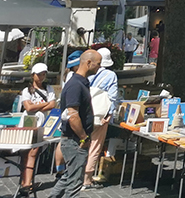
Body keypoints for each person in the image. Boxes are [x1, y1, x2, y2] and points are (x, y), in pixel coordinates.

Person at [50, 49, 101, 198]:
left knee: (69, 177)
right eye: (98, 64)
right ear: (88, 63)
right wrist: (83, 137)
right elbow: (73, 116)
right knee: (74, 182)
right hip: (75, 140)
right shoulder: (75, 85)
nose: (99, 67)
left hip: (74, 140)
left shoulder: (80, 83)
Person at [17, 62, 57, 196]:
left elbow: (53, 105)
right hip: (28, 120)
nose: (41, 77)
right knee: (25, 151)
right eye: (39, 74)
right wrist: (45, 104)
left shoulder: (49, 88)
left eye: (43, 74)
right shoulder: (26, 90)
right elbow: (28, 108)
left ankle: (28, 182)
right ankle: (25, 181)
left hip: (41, 120)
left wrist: (37, 105)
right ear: (33, 75)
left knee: (34, 151)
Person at [84, 48, 119, 188]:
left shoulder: (87, 72)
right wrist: (109, 114)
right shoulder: (111, 75)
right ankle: (87, 179)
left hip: (84, 113)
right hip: (99, 115)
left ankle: (76, 173)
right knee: (95, 146)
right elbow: (112, 96)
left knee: (82, 144)